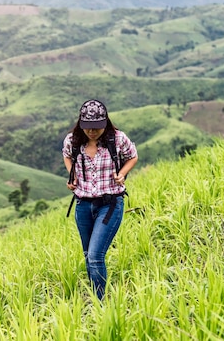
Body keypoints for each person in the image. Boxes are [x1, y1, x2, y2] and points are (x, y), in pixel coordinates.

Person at [62, 99, 138, 301]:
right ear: (81, 124)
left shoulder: (117, 139)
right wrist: (73, 175)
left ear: (105, 123)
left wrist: (122, 174)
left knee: (96, 256)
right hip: (83, 205)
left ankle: (100, 302)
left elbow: (133, 156)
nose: (92, 132)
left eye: (97, 128)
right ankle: (96, 297)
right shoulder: (73, 140)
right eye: (88, 128)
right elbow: (67, 156)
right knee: (88, 256)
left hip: (110, 203)